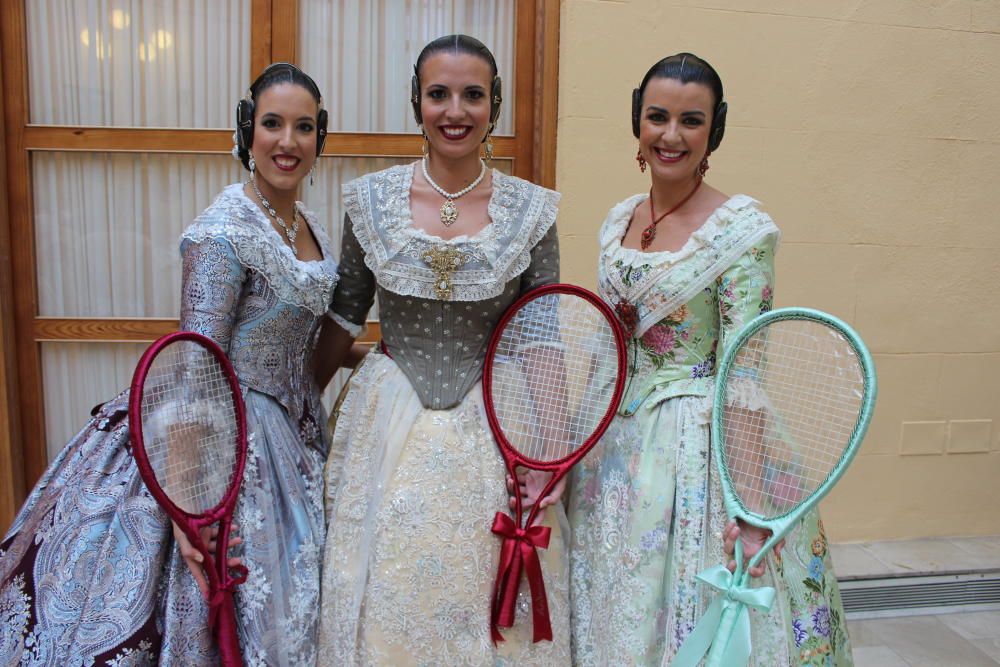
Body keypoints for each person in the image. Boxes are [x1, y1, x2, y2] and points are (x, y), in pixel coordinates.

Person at [0, 63, 341, 665]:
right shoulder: (223, 232)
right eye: (272, 124)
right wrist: (189, 508)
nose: (288, 142)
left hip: (293, 437)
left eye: (304, 127)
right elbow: (195, 367)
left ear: (321, 137)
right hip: (225, 444)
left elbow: (298, 342)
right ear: (247, 130)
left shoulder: (306, 225)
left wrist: (384, 362)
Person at [566, 53, 853, 666]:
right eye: (658, 117)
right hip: (611, 444)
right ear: (637, 121)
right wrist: (575, 444)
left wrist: (749, 511)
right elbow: (604, 344)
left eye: (691, 120)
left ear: (714, 129)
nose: (672, 135)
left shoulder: (741, 233)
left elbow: (744, 375)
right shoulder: (621, 219)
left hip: (693, 450)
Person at [315, 34, 570, 666]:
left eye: (472, 95)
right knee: (390, 583)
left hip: (495, 416)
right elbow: (345, 316)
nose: (455, 110)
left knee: (479, 585)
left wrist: (553, 457)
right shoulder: (370, 201)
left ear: (495, 105)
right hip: (389, 413)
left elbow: (540, 336)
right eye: (439, 94)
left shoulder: (531, 210)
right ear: (416, 103)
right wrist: (290, 404)